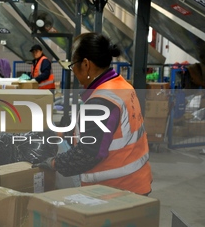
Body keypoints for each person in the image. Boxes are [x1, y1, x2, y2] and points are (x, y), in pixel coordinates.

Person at [34, 32, 152, 195]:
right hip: (137, 182)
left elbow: (87, 154)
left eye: (73, 64)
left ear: (86, 64)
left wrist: (54, 163)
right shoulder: (121, 86)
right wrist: (59, 133)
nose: (73, 70)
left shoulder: (101, 101)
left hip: (116, 191)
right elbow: (102, 132)